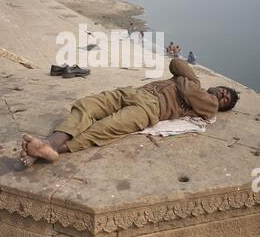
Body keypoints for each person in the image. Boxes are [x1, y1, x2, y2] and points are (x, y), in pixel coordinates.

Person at [20, 58, 240, 167]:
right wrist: (191, 80)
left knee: (106, 127)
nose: (221, 95)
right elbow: (176, 63)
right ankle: (49, 143)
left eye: (225, 99)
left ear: (222, 106)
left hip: (151, 108)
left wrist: (185, 84)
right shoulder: (195, 82)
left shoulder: (210, 106)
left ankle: (54, 149)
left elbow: (186, 88)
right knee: (87, 105)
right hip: (135, 92)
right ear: (217, 85)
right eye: (223, 91)